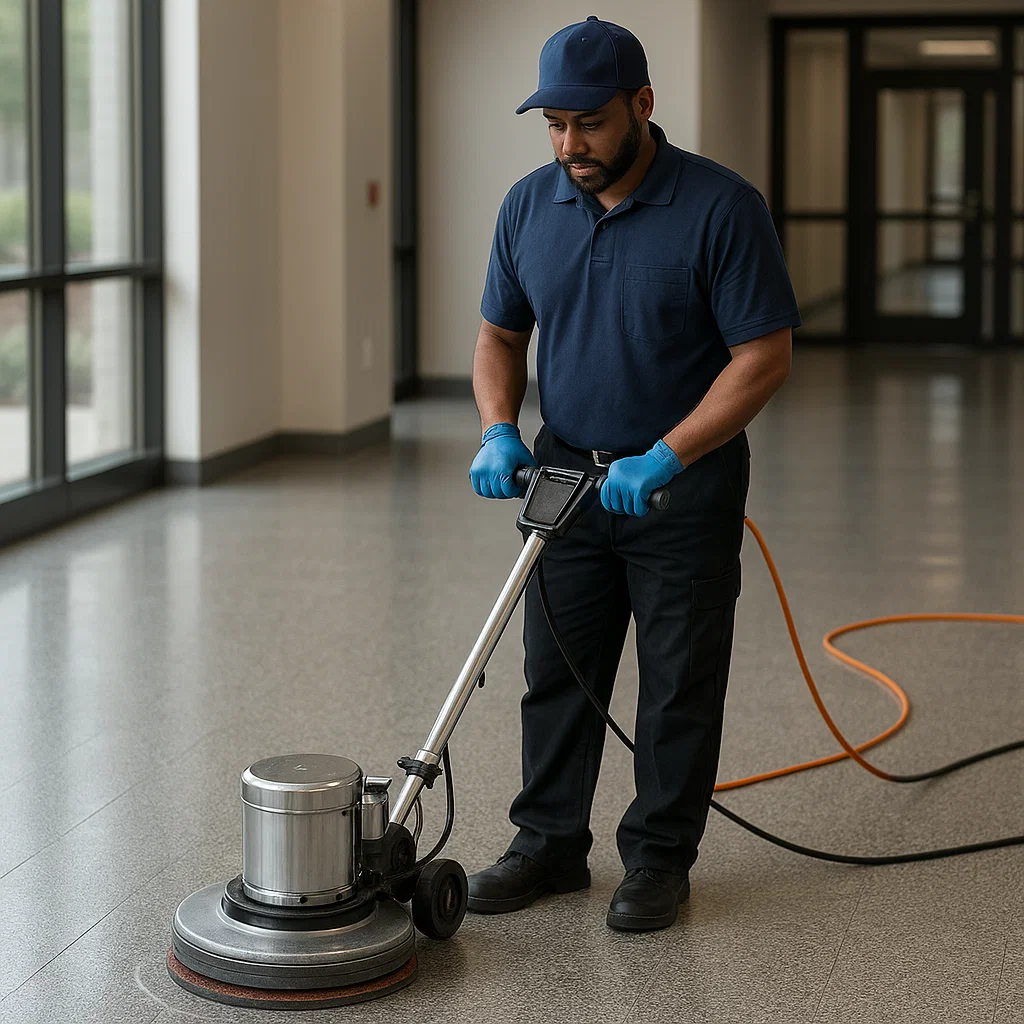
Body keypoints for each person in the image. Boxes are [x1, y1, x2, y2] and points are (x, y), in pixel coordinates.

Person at [466, 16, 800, 932]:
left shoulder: (721, 208)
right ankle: (547, 845)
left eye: (591, 122)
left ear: (643, 105)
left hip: (681, 484)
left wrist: (671, 453)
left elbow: (764, 356)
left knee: (678, 680)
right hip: (566, 479)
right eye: (555, 125)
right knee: (556, 672)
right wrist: (498, 429)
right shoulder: (528, 206)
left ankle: (657, 860)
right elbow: (500, 336)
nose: (570, 145)